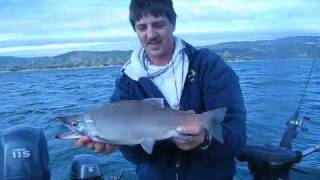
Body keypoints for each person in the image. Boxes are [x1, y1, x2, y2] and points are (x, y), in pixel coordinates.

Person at [76, 0, 246, 179]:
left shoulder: (209, 66)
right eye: (142, 27)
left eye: (158, 25)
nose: (150, 35)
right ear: (135, 30)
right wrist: (116, 142)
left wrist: (205, 139)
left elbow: (237, 136)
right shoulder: (128, 83)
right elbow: (138, 157)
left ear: (173, 23)